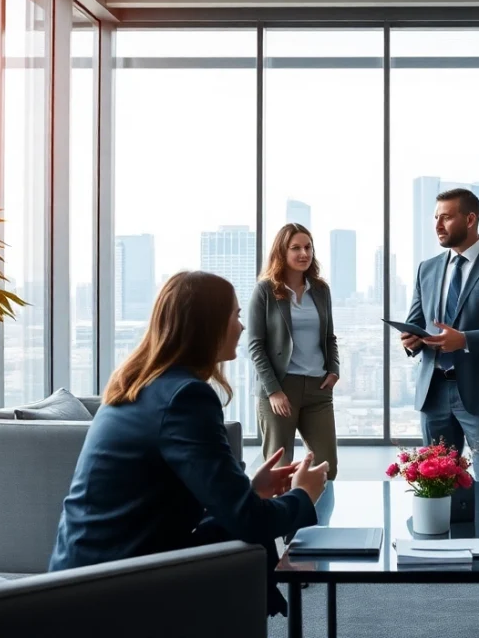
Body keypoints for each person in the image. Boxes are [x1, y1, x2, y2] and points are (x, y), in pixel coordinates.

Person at [48, 271, 328, 617]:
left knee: (237, 530)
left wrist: (251, 490)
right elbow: (248, 520)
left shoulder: (139, 384)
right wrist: (303, 495)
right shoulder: (186, 397)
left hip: (83, 572)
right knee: (247, 533)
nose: (241, 327)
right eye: (235, 315)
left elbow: (172, 494)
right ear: (208, 325)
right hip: (111, 587)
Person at [401, 188, 479, 481]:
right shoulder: (427, 269)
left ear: (470, 219)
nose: (437, 225)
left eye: (446, 217)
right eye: (436, 217)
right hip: (433, 390)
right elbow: (415, 322)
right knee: (435, 481)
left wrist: (465, 340)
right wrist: (410, 341)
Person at [249, 223, 340, 480]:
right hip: (280, 387)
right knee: (278, 469)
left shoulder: (320, 290)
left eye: (308, 247)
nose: (304, 253)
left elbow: (329, 337)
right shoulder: (265, 290)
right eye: (296, 248)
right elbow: (255, 345)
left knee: (327, 468)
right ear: (282, 251)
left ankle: (313, 508)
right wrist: (273, 391)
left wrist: (334, 370)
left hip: (318, 388)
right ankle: (283, 508)